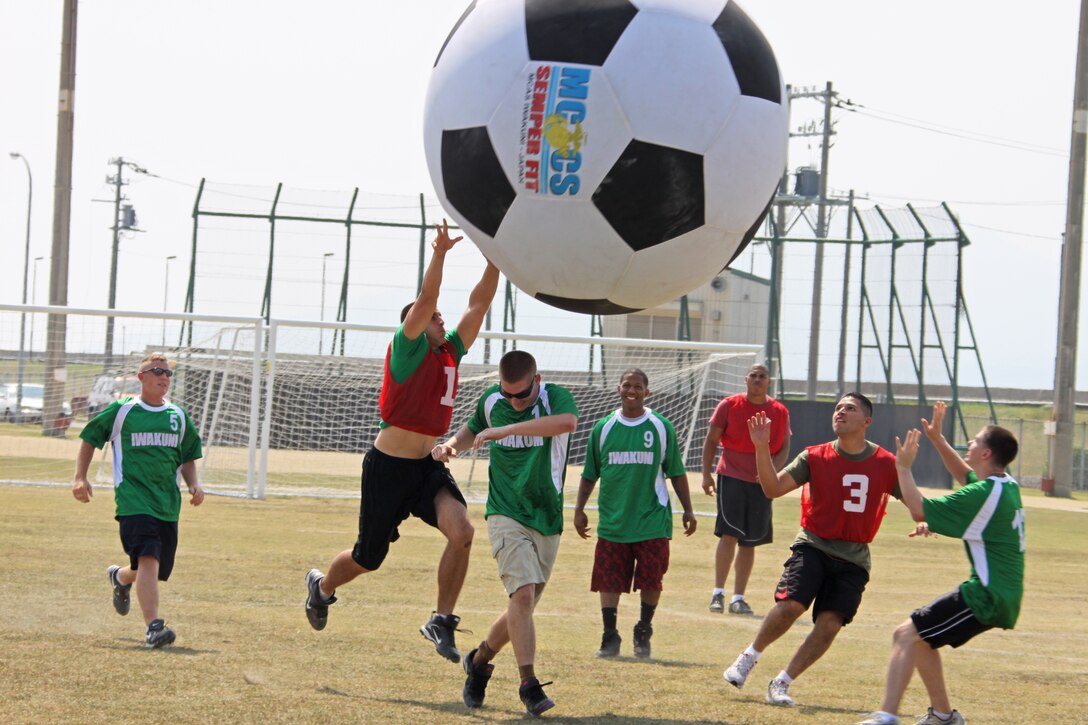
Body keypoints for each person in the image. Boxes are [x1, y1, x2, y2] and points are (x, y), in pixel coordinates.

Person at [304, 220, 499, 664]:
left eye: (439, 317)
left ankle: (441, 620)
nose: (440, 318)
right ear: (412, 323)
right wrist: (441, 253)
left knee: (464, 531)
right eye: (432, 317)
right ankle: (323, 586)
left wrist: (495, 261)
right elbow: (427, 299)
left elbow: (479, 303)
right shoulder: (407, 347)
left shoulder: (448, 350)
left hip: (426, 468)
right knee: (367, 558)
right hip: (388, 467)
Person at [722, 392, 922, 707]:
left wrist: (909, 478)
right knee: (791, 605)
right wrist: (761, 447)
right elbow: (772, 488)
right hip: (813, 544)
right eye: (838, 407)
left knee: (830, 623)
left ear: (866, 421)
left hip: (854, 557)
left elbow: (917, 506)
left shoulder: (884, 462)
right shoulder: (813, 456)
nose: (841, 411)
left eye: (850, 408)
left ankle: (782, 682)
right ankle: (750, 656)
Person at [855, 402, 1024, 725]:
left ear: (987, 454)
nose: (970, 444)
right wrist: (937, 439)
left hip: (987, 596)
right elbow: (965, 475)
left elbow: (919, 508)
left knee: (905, 634)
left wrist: (902, 468)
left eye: (975, 441)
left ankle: (886, 717)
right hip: (1000, 593)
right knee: (921, 639)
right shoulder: (1005, 486)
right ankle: (944, 716)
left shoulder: (983, 494)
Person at [432, 350, 578, 716]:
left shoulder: (554, 398)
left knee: (521, 607)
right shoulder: (492, 400)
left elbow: (566, 424)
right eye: (507, 394)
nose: (513, 401)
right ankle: (528, 684)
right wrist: (451, 444)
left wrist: (505, 429)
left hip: (546, 515)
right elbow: (471, 428)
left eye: (521, 395)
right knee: (524, 597)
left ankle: (480, 661)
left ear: (537, 381)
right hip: (504, 513)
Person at [72, 353, 205, 648]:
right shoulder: (123, 410)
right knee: (149, 557)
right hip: (133, 501)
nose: (164, 376)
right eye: (157, 370)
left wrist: (194, 483)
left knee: (152, 566)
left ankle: (121, 577)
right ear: (141, 376)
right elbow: (91, 437)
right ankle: (154, 628)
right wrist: (80, 477)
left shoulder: (177, 416)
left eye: (168, 372)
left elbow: (187, 456)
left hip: (167, 505)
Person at [573, 368, 697, 660]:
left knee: (652, 580)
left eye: (638, 386)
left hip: (652, 520)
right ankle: (609, 636)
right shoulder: (603, 428)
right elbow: (590, 473)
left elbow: (676, 473)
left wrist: (688, 509)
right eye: (627, 385)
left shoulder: (661, 426)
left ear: (647, 392)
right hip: (614, 519)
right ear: (618, 388)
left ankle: (643, 630)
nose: (632, 390)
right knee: (608, 580)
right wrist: (579, 509)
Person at [702, 363, 791, 615]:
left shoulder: (779, 410)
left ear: (768, 381)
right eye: (753, 375)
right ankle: (718, 593)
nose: (757, 380)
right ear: (745, 379)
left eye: (762, 376)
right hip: (731, 476)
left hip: (761, 483)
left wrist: (770, 472)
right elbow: (711, 440)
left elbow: (784, 446)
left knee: (749, 541)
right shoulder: (729, 405)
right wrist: (707, 474)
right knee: (729, 534)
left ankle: (738, 598)